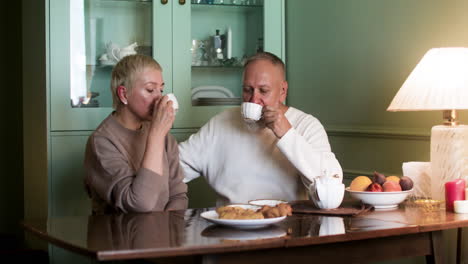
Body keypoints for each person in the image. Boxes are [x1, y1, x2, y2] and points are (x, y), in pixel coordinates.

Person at [179, 52, 343, 204]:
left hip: (287, 227)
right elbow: (175, 167)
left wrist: (287, 134)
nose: (253, 99)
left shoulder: (306, 125)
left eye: (263, 91)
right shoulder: (221, 123)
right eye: (247, 90)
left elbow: (330, 188)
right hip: (229, 227)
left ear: (283, 91)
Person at [84, 54, 188, 214]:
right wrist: (156, 136)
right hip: (118, 237)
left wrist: (162, 232)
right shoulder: (102, 142)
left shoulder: (165, 136)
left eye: (161, 89)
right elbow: (139, 204)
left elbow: (179, 196)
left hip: (160, 235)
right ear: (123, 94)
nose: (159, 98)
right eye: (150, 89)